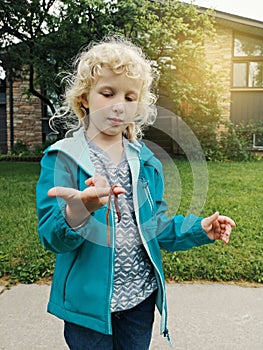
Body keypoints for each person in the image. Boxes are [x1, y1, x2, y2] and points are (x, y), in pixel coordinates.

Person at [36, 36, 235, 350]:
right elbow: (51, 237)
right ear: (84, 97)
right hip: (87, 310)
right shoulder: (62, 158)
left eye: (131, 97)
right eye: (107, 92)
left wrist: (199, 229)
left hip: (139, 302)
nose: (119, 105)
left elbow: (154, 227)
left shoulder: (146, 161)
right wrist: (80, 210)